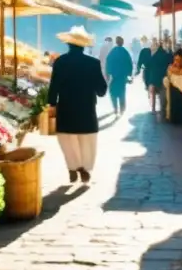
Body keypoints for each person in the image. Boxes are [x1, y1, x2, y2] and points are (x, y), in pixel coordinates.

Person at [48, 26, 108, 183]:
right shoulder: (93, 63)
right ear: (83, 45)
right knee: (87, 141)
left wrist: (52, 104)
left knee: (67, 140)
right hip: (86, 109)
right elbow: (101, 90)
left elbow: (53, 86)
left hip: (66, 109)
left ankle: (73, 167)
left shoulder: (60, 62)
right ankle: (84, 167)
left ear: (68, 44)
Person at [105, 36, 134, 115]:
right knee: (122, 92)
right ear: (122, 42)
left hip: (114, 77)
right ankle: (122, 108)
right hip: (123, 77)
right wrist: (130, 74)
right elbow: (129, 63)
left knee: (113, 92)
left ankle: (115, 108)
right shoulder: (125, 52)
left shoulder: (112, 51)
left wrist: (107, 74)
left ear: (116, 42)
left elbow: (108, 62)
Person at [145, 38, 173, 116]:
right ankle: (162, 109)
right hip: (162, 77)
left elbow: (148, 66)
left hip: (153, 77)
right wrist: (170, 50)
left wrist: (148, 81)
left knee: (153, 94)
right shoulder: (166, 55)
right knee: (162, 94)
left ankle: (153, 109)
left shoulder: (154, 55)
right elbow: (171, 60)